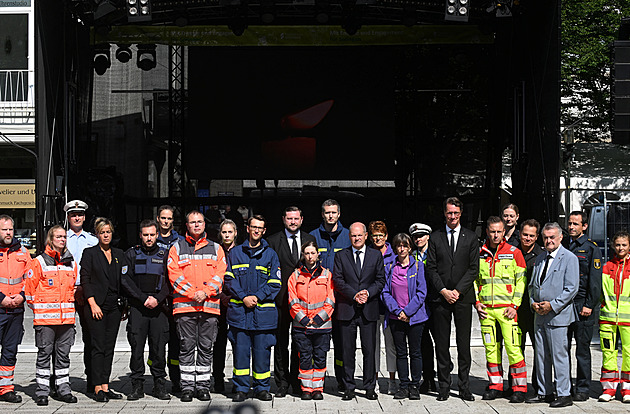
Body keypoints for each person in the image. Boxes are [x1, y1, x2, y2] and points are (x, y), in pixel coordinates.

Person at [167, 211, 226, 402]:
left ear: (204, 224)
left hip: (209, 307)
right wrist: (194, 294)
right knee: (186, 347)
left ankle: (202, 386)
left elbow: (220, 275)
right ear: (187, 225)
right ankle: (186, 387)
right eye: (192, 222)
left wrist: (206, 292)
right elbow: (174, 276)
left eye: (200, 222)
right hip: (185, 307)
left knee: (206, 348)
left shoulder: (216, 248)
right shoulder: (176, 248)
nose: (196, 225)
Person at [425, 197, 479, 402]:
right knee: (442, 344)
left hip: (463, 298)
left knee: (464, 345)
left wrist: (457, 290)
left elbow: (474, 268)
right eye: (449, 213)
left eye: (456, 213)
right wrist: (444, 291)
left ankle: (464, 386)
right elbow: (431, 267)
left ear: (461, 213)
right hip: (441, 299)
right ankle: (444, 386)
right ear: (444, 214)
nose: (452, 216)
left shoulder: (471, 237)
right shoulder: (436, 237)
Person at [225, 215, 281, 402]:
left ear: (264, 231)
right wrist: (244, 297)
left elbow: (275, 282)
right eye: (253, 227)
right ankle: (241, 388)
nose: (256, 230)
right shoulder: (235, 253)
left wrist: (256, 297)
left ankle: (262, 388)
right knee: (240, 353)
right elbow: (229, 279)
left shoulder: (271, 255)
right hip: (240, 314)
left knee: (262, 353)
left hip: (262, 315)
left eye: (260, 228)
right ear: (247, 228)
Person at [474, 216, 527, 403]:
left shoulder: (515, 252)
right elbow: (474, 280)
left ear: (504, 232)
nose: (495, 235)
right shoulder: (480, 252)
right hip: (486, 311)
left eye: (499, 231)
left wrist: (515, 305)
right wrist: (477, 302)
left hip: (507, 311)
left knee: (513, 349)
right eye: (492, 231)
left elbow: (521, 281)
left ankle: (519, 388)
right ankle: (495, 385)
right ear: (487, 232)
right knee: (491, 349)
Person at [527, 222, 579, 408]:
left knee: (559, 355)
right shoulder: (540, 258)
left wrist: (552, 305)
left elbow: (571, 288)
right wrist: (533, 302)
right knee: (541, 355)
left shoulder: (569, 258)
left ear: (560, 237)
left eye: (552, 237)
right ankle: (544, 391)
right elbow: (532, 285)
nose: (548, 241)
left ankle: (564, 393)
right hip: (539, 314)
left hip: (558, 315)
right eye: (546, 237)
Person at [25, 226, 78, 406]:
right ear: (50, 239)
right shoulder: (38, 262)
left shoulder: (72, 263)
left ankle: (64, 390)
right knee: (44, 355)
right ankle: (42, 392)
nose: (62, 240)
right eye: (58, 237)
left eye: (64, 237)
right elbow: (29, 292)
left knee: (63, 356)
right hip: (46, 320)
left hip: (66, 320)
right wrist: (41, 311)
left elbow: (74, 290)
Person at [332, 222, 386, 401]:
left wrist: (367, 293)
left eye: (359, 235)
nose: (356, 238)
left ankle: (370, 386)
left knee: (369, 350)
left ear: (365, 236)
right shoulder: (341, 256)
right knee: (347, 351)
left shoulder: (375, 255)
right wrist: (354, 295)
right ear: (350, 237)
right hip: (347, 309)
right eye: (353, 235)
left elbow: (380, 280)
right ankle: (349, 387)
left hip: (369, 310)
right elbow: (338, 280)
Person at [267, 206, 316, 397]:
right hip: (280, 300)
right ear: (283, 219)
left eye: (296, 218)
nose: (293, 222)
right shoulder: (272, 241)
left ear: (302, 219)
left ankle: (297, 381)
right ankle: (282, 382)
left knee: (300, 343)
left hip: (303, 301)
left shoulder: (309, 240)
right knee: (280, 343)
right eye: (289, 219)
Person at [121, 220, 171, 401]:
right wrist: (143, 299)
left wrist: (157, 299)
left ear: (157, 235)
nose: (149, 238)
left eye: (152, 235)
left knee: (159, 348)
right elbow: (125, 280)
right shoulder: (131, 254)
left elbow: (171, 281)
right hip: (138, 308)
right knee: (137, 348)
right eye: (145, 235)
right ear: (140, 235)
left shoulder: (166, 254)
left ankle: (159, 385)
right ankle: (137, 386)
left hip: (159, 308)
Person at [80, 217, 124, 402]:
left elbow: (123, 281)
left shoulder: (119, 253)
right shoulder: (89, 253)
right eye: (102, 232)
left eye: (108, 232)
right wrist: (92, 303)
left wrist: (125, 305)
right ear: (97, 235)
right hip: (96, 306)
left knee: (109, 346)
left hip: (114, 306)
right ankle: (97, 386)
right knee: (97, 346)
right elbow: (85, 279)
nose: (106, 235)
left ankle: (106, 385)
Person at [381, 233, 429, 400]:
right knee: (401, 353)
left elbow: (422, 292)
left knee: (415, 352)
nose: (402, 249)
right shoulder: (390, 267)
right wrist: (397, 311)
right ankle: (403, 385)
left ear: (410, 247)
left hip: (415, 318)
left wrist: (408, 312)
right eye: (399, 246)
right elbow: (385, 292)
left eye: (405, 245)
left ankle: (415, 385)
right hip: (396, 318)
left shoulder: (418, 267)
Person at [310, 199, 351, 391]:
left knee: (342, 343)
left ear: (339, 214)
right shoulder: (312, 237)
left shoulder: (347, 237)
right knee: (318, 342)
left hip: (342, 299)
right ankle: (317, 379)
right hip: (318, 301)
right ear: (322, 214)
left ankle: (342, 379)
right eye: (327, 212)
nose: (330, 216)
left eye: (334, 212)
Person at [288, 240, 335, 400]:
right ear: (303, 255)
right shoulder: (295, 276)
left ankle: (318, 389)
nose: (310, 256)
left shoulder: (327, 275)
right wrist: (303, 319)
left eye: (312, 253)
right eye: (307, 253)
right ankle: (306, 389)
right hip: (301, 326)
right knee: (305, 356)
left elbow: (330, 300)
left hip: (322, 325)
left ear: (318, 254)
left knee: (320, 356)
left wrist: (317, 319)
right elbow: (292, 300)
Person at [566, 210, 602, 401]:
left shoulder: (590, 248)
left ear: (584, 226)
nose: (571, 227)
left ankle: (583, 388)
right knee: (563, 348)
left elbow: (595, 281)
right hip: (565, 305)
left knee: (582, 349)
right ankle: (565, 385)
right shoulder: (564, 244)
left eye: (575, 224)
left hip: (582, 305)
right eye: (570, 223)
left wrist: (589, 304)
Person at [64, 199, 98, 394]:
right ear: (68, 217)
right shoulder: (61, 238)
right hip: (65, 292)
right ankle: (59, 380)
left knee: (90, 337)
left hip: (86, 292)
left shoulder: (92, 240)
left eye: (79, 215)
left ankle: (92, 379)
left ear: (84, 217)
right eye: (73, 215)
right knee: (62, 339)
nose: (76, 217)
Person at [0, 215, 31, 403]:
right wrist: (1, 299)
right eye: (4, 229)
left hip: (16, 310)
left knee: (10, 351)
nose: (9, 233)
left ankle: (6, 389)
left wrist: (22, 295)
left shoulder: (23, 252)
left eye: (11, 229)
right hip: (0, 307)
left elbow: (31, 278)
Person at [155, 205, 184, 394]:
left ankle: (176, 380)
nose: (166, 221)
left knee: (176, 342)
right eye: (163, 218)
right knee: (157, 342)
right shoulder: (150, 238)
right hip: (157, 297)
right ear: (158, 219)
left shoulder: (180, 241)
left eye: (169, 218)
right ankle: (157, 379)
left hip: (175, 296)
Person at [598, 230, 630, 403]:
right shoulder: (606, 267)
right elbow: (601, 292)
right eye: (617, 244)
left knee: (629, 354)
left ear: (629, 246)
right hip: (608, 318)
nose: (620, 248)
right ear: (613, 246)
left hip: (628, 320)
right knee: (608, 353)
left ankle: (627, 389)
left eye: (624, 244)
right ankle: (608, 389)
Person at [367, 220, 397, 394]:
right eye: (374, 235)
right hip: (373, 304)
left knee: (391, 344)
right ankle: (375, 379)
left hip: (390, 306)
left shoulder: (394, 255)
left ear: (386, 236)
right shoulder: (369, 253)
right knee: (374, 345)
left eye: (381, 235)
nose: (378, 238)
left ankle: (392, 380)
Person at [409, 222, 436, 393]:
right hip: (419, 306)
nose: (418, 239)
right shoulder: (411, 257)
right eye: (415, 237)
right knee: (423, 344)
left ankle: (443, 374)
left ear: (428, 237)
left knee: (440, 342)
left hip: (435, 303)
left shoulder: (434, 254)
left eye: (421, 236)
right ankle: (428, 378)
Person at [517, 219, 543, 394]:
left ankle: (537, 385)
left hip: (535, 311)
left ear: (537, 237)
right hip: (516, 310)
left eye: (531, 236)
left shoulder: (542, 255)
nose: (527, 238)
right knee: (516, 351)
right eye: (525, 234)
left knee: (539, 350)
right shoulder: (511, 251)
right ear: (520, 234)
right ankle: (516, 386)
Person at [213, 219, 238, 393]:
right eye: (224, 232)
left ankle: (239, 380)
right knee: (218, 343)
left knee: (239, 343)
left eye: (230, 232)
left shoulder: (242, 251)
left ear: (235, 233)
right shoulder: (215, 251)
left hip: (237, 303)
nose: (227, 235)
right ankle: (218, 380)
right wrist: (221, 297)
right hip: (219, 303)